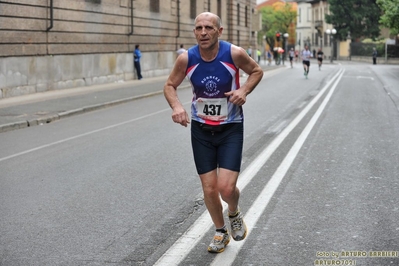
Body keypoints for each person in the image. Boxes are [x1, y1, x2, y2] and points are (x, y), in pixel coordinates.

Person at [163, 12, 263, 253]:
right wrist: (176, 106)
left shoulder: (234, 53)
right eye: (198, 28)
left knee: (226, 189)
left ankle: (234, 212)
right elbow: (169, 85)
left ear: (220, 31)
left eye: (208, 27)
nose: (203, 32)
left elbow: (257, 71)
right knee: (209, 188)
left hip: (230, 128)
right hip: (201, 129)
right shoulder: (187, 58)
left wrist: (244, 91)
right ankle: (220, 232)